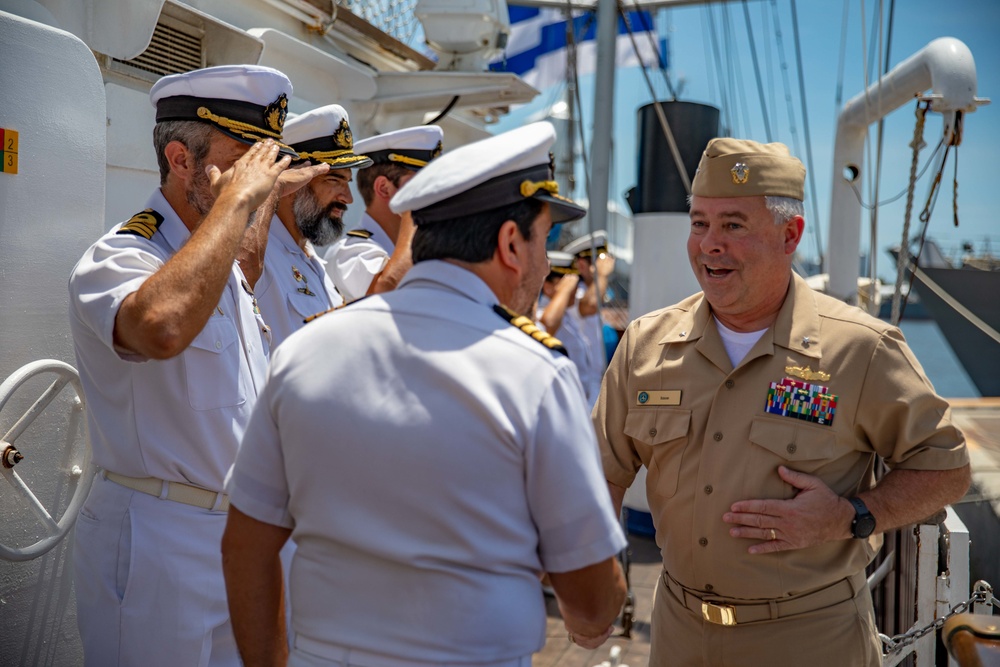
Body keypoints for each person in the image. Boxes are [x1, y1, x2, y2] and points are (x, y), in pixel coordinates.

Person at [222, 121, 628, 667]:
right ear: (511, 243)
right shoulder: (532, 372)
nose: (544, 259)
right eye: (543, 237)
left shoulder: (305, 351)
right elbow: (591, 599)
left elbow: (246, 545)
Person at [593, 137, 971, 666]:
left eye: (733, 225)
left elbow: (947, 468)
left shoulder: (861, 350)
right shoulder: (646, 345)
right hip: (678, 636)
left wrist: (852, 515)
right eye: (699, 223)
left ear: (789, 234)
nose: (709, 245)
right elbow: (601, 470)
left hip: (809, 641)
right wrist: (595, 582)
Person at [68, 64, 327, 667]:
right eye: (246, 160)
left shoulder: (227, 269)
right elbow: (159, 327)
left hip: (238, 539)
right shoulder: (122, 255)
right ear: (181, 160)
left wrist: (253, 197)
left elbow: (240, 258)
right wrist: (238, 198)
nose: (260, 181)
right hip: (160, 541)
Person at [255, 104, 372, 347]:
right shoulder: (257, 256)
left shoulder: (312, 261)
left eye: (348, 182)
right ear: (292, 181)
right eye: (333, 180)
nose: (348, 198)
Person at [323, 124, 443, 300]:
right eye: (422, 183)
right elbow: (387, 292)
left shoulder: (423, 251)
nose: (434, 192)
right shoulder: (350, 253)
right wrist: (414, 211)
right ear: (384, 188)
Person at [562, 229, 614, 407]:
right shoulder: (574, 291)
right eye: (595, 261)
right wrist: (602, 275)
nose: (601, 266)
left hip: (595, 380)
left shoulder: (594, 289)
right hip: (581, 382)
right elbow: (589, 306)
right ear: (582, 265)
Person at [536, 249, 588, 391]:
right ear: (547, 287)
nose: (575, 290)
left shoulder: (567, 315)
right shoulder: (541, 314)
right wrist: (563, 291)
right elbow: (547, 325)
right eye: (570, 286)